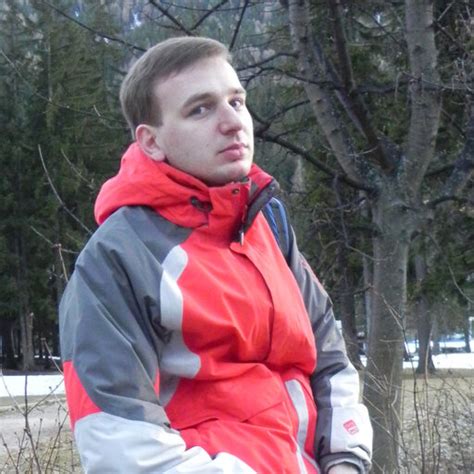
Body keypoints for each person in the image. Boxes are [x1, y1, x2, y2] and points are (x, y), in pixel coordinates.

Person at [59, 37, 372, 474]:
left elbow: (330, 362)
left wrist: (345, 461)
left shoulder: (269, 228)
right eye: (200, 109)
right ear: (151, 142)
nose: (232, 122)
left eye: (237, 101)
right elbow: (120, 444)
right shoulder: (118, 260)